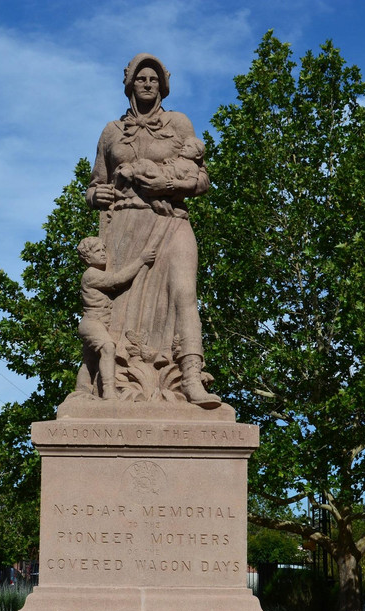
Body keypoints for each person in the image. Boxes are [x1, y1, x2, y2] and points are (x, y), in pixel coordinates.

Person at [83, 53, 220, 407]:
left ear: (164, 85)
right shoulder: (112, 131)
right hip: (125, 227)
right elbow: (95, 184)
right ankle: (112, 385)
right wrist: (94, 194)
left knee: (184, 293)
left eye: (154, 79)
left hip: (172, 219)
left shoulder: (179, 123)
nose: (147, 84)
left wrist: (166, 184)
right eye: (141, 78)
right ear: (130, 83)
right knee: (118, 313)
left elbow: (202, 180)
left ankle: (190, 378)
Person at [77, 236, 156, 400]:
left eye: (103, 250)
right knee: (108, 347)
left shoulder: (97, 272)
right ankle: (109, 392)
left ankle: (81, 392)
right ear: (87, 257)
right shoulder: (91, 274)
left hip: (101, 323)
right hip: (92, 322)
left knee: (90, 361)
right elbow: (117, 279)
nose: (103, 254)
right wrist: (141, 260)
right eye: (97, 251)